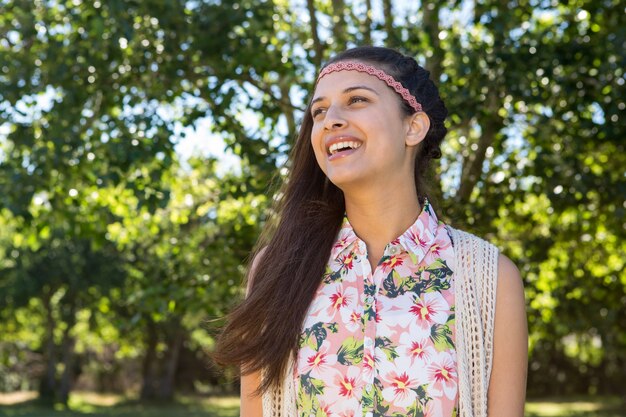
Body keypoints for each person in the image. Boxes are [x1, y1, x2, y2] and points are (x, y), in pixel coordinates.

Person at [213, 46, 527, 417]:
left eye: (357, 99)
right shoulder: (276, 268)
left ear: (413, 127)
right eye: (319, 111)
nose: (331, 120)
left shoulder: (489, 277)